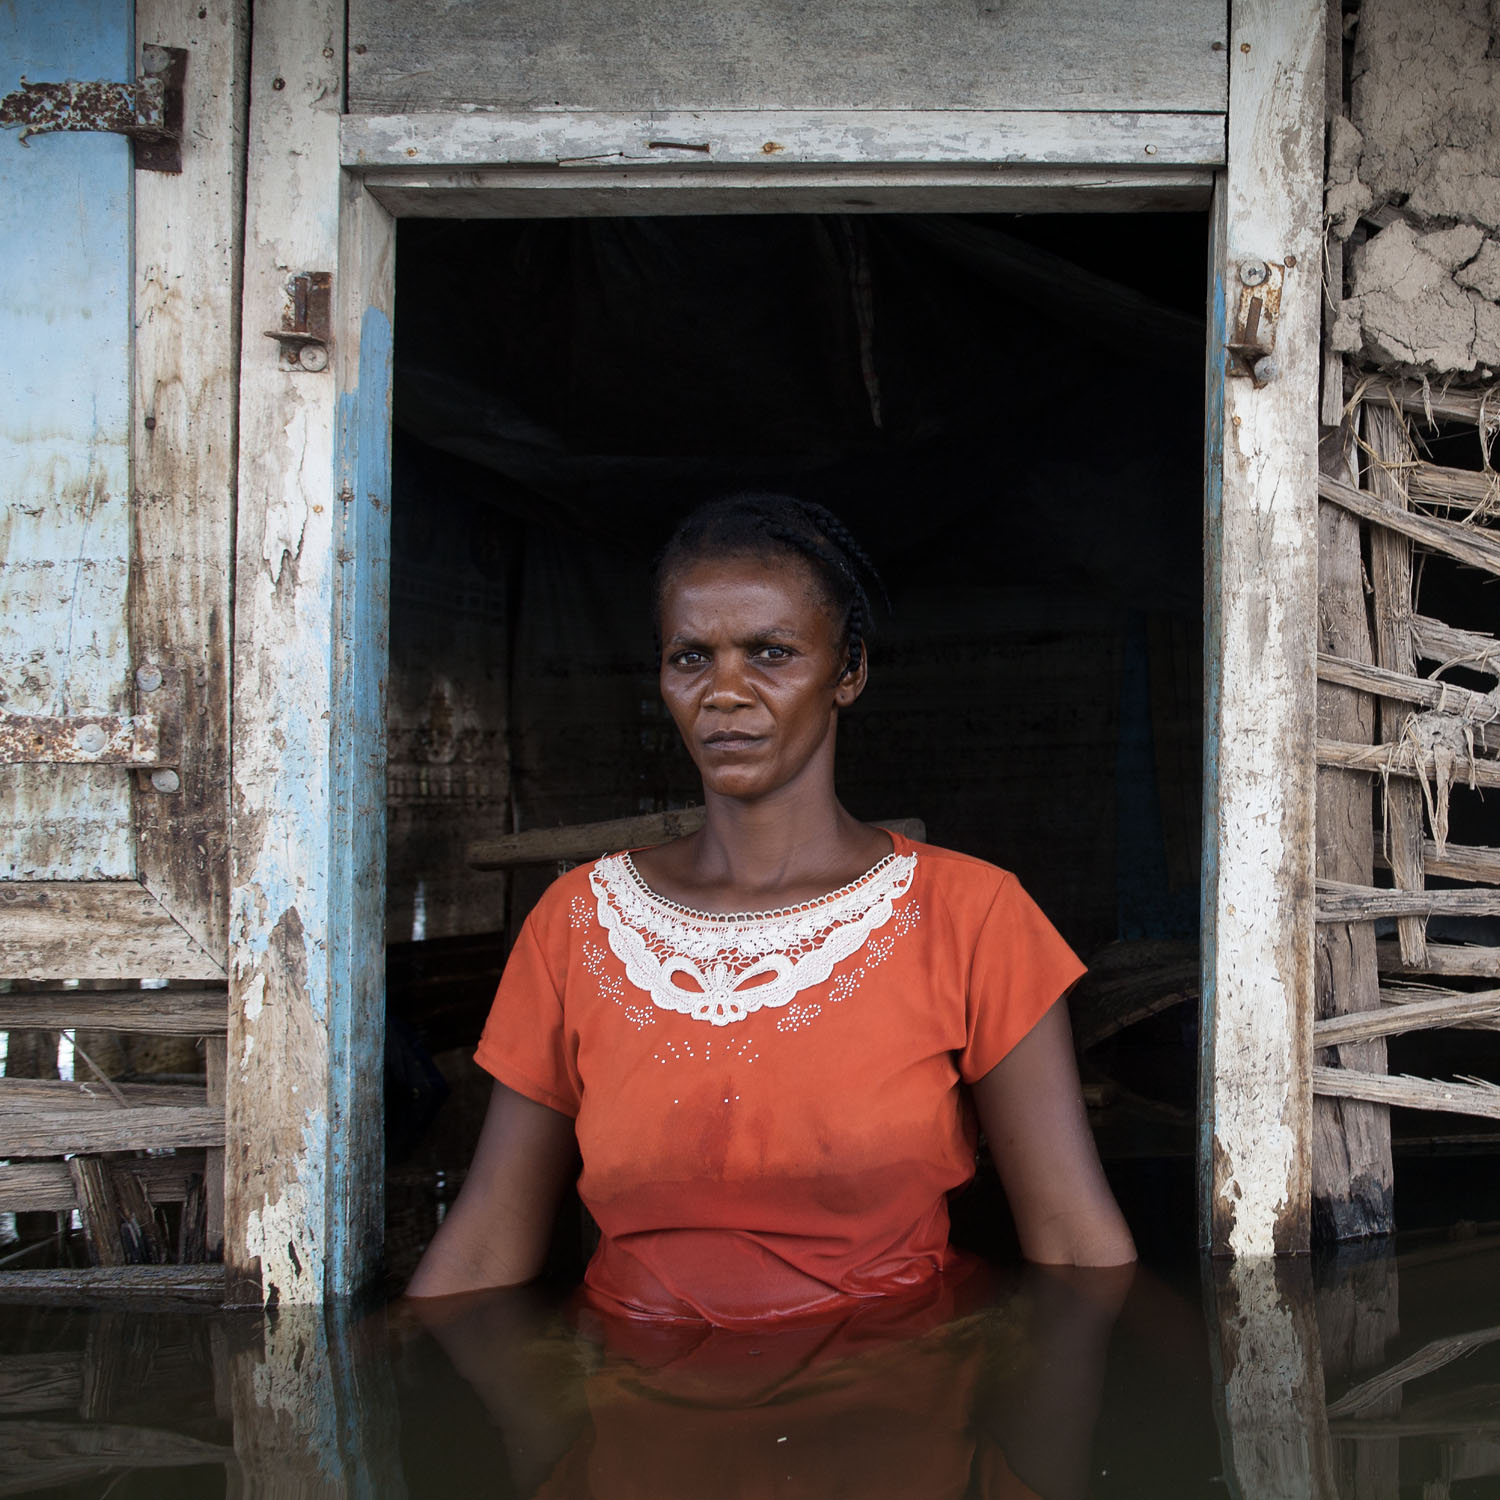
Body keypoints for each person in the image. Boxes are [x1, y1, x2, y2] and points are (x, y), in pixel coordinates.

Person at [406, 494, 1135, 1322]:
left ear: (848, 671)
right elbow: (489, 1238)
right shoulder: (577, 922)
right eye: (690, 657)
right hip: (631, 1415)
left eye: (771, 652)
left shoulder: (972, 915)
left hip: (895, 1393)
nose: (725, 692)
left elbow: (1075, 1244)